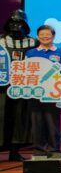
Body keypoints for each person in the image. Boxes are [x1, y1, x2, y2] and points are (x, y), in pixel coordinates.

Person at [26, 25, 61, 156]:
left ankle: (54, 149)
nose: (45, 37)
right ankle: (39, 149)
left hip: (53, 93)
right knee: (37, 121)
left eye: (48, 34)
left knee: (52, 122)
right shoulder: (30, 53)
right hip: (35, 93)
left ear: (53, 36)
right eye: (42, 34)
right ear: (38, 36)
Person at [0, 9, 37, 161]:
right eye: (12, 22)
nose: (15, 26)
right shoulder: (1, 42)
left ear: (25, 25)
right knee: (2, 118)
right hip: (2, 88)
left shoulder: (33, 42)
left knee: (19, 120)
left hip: (23, 88)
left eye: (19, 23)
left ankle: (14, 151)